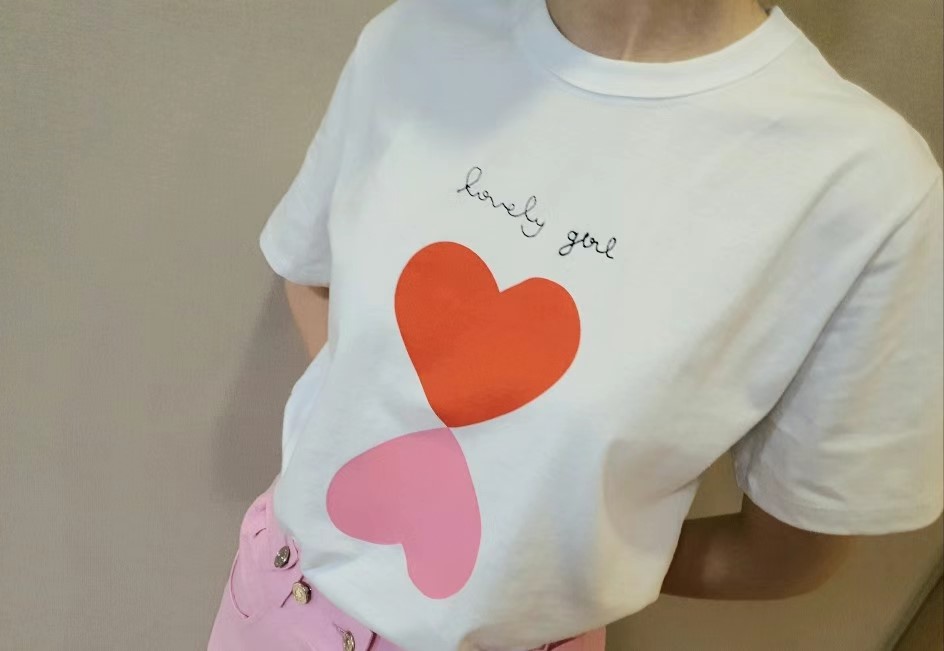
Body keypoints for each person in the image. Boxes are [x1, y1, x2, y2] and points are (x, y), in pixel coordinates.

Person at [208, 0, 944, 649]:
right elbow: (310, 272)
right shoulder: (415, 38)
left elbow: (785, 553)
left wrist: (539, 563)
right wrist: (377, 448)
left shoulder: (864, 191)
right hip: (278, 593)